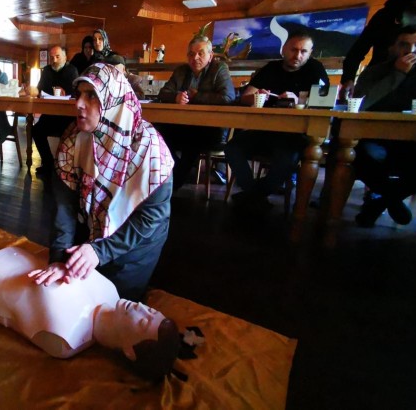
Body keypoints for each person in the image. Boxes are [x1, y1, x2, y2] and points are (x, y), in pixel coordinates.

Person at [30, 64, 174, 302]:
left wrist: (100, 251)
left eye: (92, 96)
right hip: (94, 226)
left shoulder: (150, 151)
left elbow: (149, 218)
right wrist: (58, 258)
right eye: (79, 94)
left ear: (113, 101)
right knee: (71, 290)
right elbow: (63, 206)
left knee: (114, 301)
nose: (78, 104)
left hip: (137, 242)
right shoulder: (73, 140)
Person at [0, 246, 181, 381]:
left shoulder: (66, 339)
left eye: (143, 322)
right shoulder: (111, 293)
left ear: (129, 351)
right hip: (11, 260)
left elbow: (12, 318)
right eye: (150, 310)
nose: (140, 308)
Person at [225, 30, 329, 212]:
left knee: (287, 158)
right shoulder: (270, 69)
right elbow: (245, 98)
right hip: (264, 131)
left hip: (296, 135)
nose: (297, 55)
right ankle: (254, 194)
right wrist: (258, 96)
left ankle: (253, 195)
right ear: (284, 50)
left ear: (310, 53)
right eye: (293, 50)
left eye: (303, 51)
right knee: (232, 148)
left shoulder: (315, 69)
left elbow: (324, 104)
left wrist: (298, 101)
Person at [350, 24, 416, 227]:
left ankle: (380, 203)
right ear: (393, 47)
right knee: (359, 155)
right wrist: (397, 74)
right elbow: (362, 104)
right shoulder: (375, 72)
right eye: (404, 45)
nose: (410, 50)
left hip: (415, 142)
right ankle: (391, 199)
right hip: (374, 138)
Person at [156, 35, 236, 190]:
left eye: (201, 53)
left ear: (210, 55)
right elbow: (163, 93)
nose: (195, 58)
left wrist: (196, 96)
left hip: (211, 128)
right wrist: (176, 97)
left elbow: (228, 98)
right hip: (182, 124)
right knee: (158, 133)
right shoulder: (181, 71)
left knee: (191, 142)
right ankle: (167, 178)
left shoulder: (219, 69)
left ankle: (172, 186)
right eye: (191, 54)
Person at [33, 45, 79, 176]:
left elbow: (74, 93)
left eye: (58, 56)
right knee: (36, 130)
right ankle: (47, 162)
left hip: (67, 116)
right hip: (50, 114)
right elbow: (40, 89)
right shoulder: (47, 70)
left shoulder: (72, 70)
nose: (54, 60)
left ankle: (68, 167)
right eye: (52, 57)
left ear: (65, 57)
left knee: (74, 133)